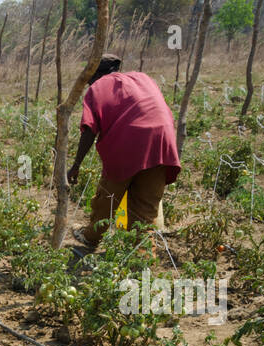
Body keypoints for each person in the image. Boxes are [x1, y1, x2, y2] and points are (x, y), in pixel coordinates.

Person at [67, 55, 181, 249]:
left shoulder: (97, 88)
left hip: (129, 143)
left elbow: (89, 129)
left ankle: (91, 237)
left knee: (108, 197)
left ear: (93, 75)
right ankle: (143, 257)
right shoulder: (142, 78)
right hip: (162, 142)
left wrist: (76, 165)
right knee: (146, 208)